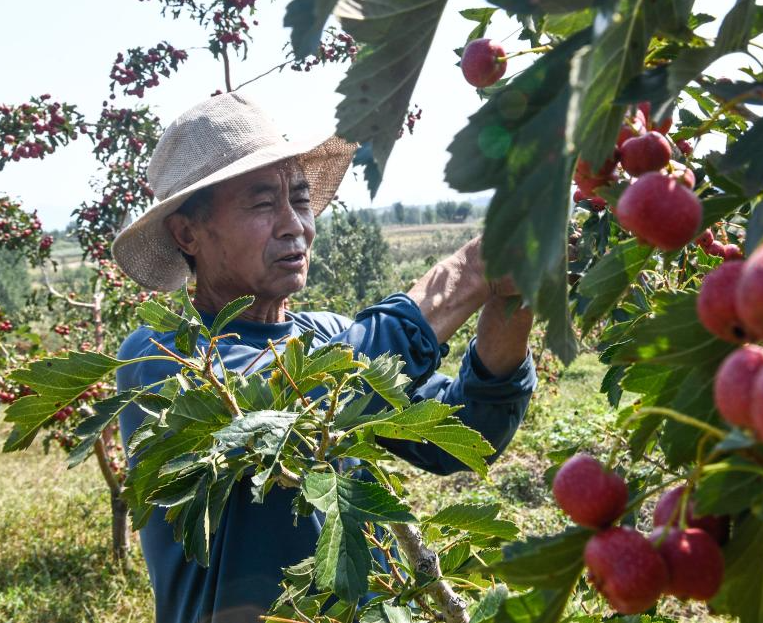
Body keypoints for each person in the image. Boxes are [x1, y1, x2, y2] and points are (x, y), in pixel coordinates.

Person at [111, 92, 537, 623]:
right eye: (262, 203)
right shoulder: (160, 359)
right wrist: (473, 269)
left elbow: (462, 434)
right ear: (187, 233)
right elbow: (276, 406)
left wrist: (513, 301)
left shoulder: (328, 335)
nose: (295, 225)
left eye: (300, 198)